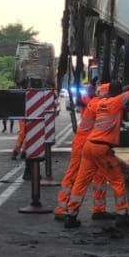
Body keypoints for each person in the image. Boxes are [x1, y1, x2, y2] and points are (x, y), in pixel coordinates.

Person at [63, 73, 129, 229]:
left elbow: (127, 92)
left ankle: (71, 215)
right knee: (117, 179)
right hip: (102, 149)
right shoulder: (116, 102)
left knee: (81, 181)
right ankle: (122, 215)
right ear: (118, 94)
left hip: (89, 147)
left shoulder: (100, 102)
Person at [54, 84, 108, 219]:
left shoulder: (94, 100)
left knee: (100, 177)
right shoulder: (94, 102)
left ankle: (99, 209)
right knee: (73, 175)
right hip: (82, 144)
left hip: (93, 144)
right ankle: (61, 208)